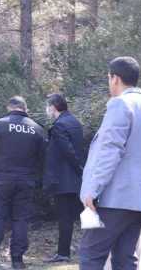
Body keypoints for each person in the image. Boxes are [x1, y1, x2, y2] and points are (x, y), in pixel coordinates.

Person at [79, 57, 141, 270]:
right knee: (125, 258)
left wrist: (93, 189)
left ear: (115, 78)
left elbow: (109, 150)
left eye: (109, 78)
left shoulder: (121, 104)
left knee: (91, 255)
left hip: (115, 198)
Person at [0, 96, 46, 270]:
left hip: (2, 179)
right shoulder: (37, 129)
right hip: (26, 180)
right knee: (21, 219)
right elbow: (43, 157)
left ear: (10, 107)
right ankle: (17, 260)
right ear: (25, 108)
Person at [42, 93, 84, 263]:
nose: (47, 110)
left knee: (65, 218)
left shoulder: (59, 126)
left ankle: (63, 253)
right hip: (74, 179)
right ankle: (67, 251)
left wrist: (78, 168)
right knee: (73, 217)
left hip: (63, 178)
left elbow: (67, 152)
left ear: (53, 107)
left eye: (48, 106)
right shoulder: (75, 122)